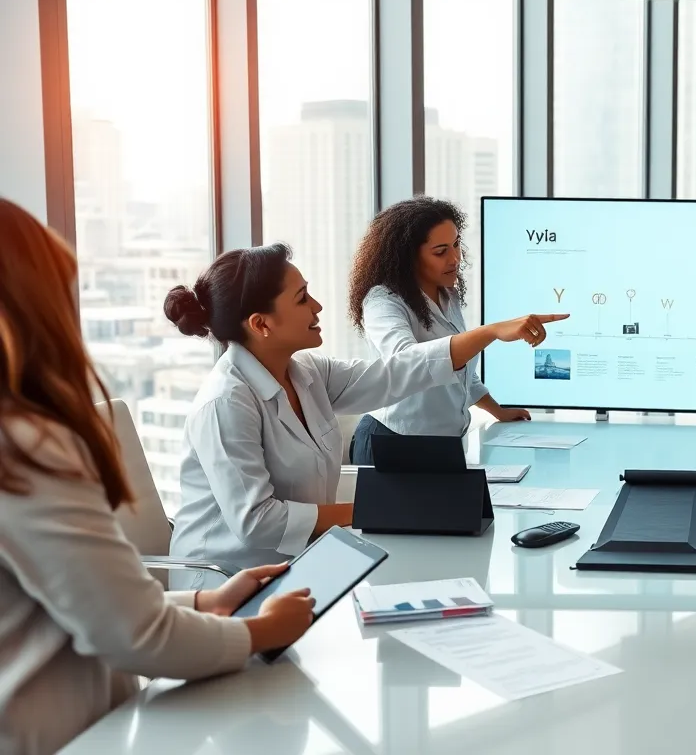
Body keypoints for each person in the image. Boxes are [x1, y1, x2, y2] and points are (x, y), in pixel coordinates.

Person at [0, 199, 316, 755]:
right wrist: (260, 632)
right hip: (77, 737)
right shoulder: (25, 450)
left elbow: (65, 607)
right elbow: (134, 636)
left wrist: (206, 605)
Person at [165, 243, 565, 587]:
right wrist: (379, 509)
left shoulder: (306, 373)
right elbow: (257, 522)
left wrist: (489, 333)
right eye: (302, 298)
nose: (318, 306)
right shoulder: (225, 404)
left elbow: (395, 373)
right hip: (226, 582)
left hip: (298, 567)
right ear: (260, 324)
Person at [347, 197, 537, 464]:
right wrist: (490, 332)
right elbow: (407, 362)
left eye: (457, 244)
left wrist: (498, 411)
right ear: (408, 257)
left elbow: (462, 374)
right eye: (440, 251)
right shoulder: (383, 301)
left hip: (442, 443)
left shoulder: (447, 295)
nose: (455, 258)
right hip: (392, 442)